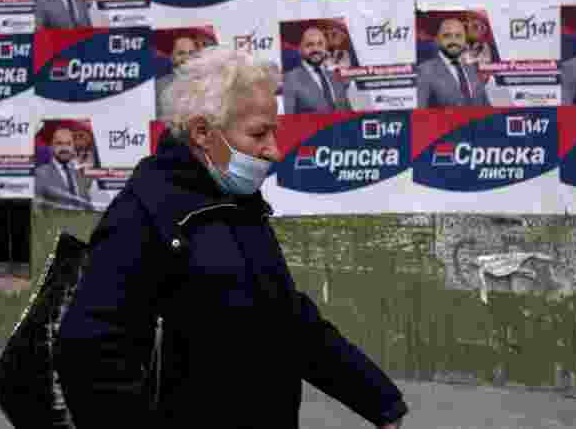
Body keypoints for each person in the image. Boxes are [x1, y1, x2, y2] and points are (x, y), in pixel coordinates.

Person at [55, 47, 408, 429]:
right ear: (203, 132)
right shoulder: (143, 214)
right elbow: (88, 355)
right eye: (259, 133)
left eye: (273, 132)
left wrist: (378, 399)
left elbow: (287, 320)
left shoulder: (239, 202)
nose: (274, 150)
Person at [416, 17, 490, 108]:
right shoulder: (425, 71)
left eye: (458, 36)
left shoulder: (473, 69)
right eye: (447, 36)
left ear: (464, 40)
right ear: (437, 40)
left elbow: (486, 107)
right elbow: (419, 115)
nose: (453, 41)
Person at [282, 26, 351, 114]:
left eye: (320, 44)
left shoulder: (336, 76)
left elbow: (348, 112)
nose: (315, 49)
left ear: (325, 48)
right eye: (309, 45)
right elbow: (288, 119)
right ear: (299, 49)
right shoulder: (290, 79)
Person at [34, 126, 94, 209]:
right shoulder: (40, 173)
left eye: (68, 144)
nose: (64, 148)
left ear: (73, 147)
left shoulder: (80, 175)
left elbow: (88, 206)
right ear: (52, 146)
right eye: (59, 143)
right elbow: (36, 209)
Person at [155, 35, 197, 118]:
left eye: (191, 53)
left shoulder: (206, 82)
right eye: (181, 53)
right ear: (172, 57)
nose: (187, 57)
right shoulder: (159, 85)